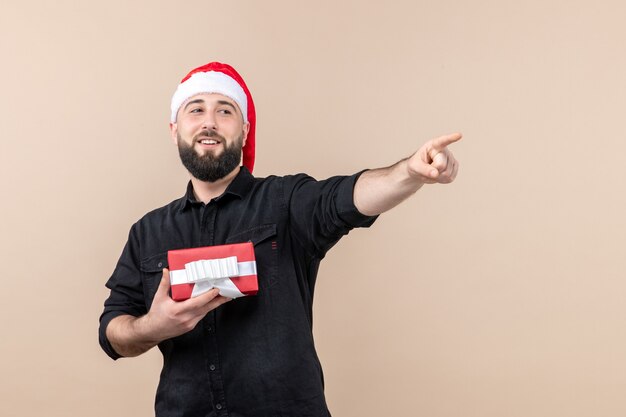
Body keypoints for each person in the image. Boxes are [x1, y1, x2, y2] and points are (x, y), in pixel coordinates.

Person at [99, 62, 461, 417]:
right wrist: (154, 326)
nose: (209, 121)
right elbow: (113, 330)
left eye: (224, 110)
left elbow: (347, 198)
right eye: (196, 109)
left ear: (244, 130)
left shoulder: (285, 201)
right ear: (175, 129)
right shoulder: (148, 231)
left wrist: (409, 173)